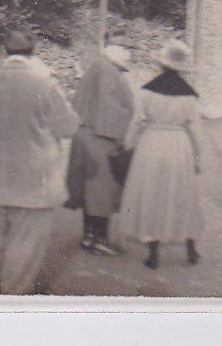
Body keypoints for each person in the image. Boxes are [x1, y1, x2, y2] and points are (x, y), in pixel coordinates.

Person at [0, 27, 79, 295]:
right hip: (32, 186)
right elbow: (68, 127)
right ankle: (12, 299)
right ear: (33, 51)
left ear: (5, 51)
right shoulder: (46, 85)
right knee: (24, 249)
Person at [120, 39, 203, 270]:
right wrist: (197, 159)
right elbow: (195, 131)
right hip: (179, 145)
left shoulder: (147, 91)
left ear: (161, 65)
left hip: (152, 143)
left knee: (153, 195)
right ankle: (191, 249)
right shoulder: (190, 96)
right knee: (182, 195)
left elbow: (137, 122)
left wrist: (128, 146)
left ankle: (154, 252)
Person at [65, 27, 135, 255]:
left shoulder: (100, 67)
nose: (129, 55)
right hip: (100, 137)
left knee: (90, 190)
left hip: (88, 133)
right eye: (126, 50)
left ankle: (88, 236)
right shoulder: (107, 70)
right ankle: (99, 239)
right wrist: (124, 136)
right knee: (103, 191)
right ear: (113, 50)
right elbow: (109, 106)